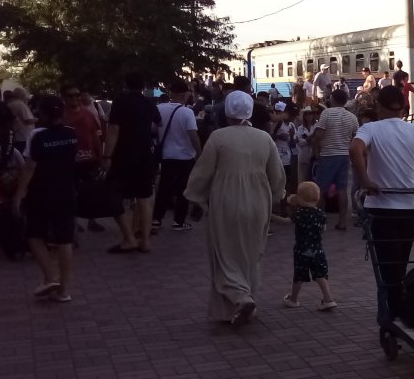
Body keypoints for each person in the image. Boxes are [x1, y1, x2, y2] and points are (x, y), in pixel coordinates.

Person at [350, 86, 414, 324]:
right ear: (404, 108)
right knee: (400, 261)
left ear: (378, 106)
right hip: (409, 205)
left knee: (386, 264)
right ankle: (397, 307)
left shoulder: (370, 128)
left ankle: (393, 311)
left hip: (380, 205)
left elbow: (355, 148)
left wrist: (365, 181)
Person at [184, 90, 285, 328]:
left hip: (226, 203)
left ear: (227, 111)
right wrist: (277, 198)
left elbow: (202, 173)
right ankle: (246, 298)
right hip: (258, 203)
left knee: (224, 255)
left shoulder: (218, 137)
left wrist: (195, 198)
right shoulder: (264, 138)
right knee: (250, 255)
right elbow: (277, 177)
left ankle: (240, 298)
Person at [12, 94, 78, 302]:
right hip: (67, 190)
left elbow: (29, 167)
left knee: (34, 234)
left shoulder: (37, 135)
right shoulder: (71, 133)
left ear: (42, 112)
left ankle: (50, 277)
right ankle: (64, 290)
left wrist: (18, 195)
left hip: (41, 192)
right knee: (65, 239)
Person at [103, 72, 161, 254]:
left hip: (123, 155)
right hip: (144, 154)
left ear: (126, 85)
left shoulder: (121, 102)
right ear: (143, 86)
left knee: (114, 195)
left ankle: (128, 237)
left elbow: (113, 129)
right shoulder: (149, 103)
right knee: (145, 198)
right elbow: (157, 124)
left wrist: (107, 156)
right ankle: (144, 241)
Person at [152, 79, 201, 232]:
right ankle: (178, 221)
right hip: (185, 157)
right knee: (183, 189)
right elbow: (193, 135)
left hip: (166, 155)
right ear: (184, 94)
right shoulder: (187, 112)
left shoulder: (159, 108)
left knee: (163, 188)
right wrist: (199, 153)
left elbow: (153, 130)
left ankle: (156, 218)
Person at [282, 181, 338, 311]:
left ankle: (293, 299)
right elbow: (323, 229)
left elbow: (286, 221)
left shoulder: (299, 213)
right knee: (320, 275)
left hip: (301, 250)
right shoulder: (320, 214)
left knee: (299, 275)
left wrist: (271, 217)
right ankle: (328, 299)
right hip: (317, 250)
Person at [311, 89, 360, 230]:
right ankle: (342, 221)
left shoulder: (327, 113)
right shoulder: (352, 117)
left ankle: (319, 221)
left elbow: (319, 134)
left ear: (332, 99)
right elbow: (355, 137)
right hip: (344, 155)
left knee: (320, 189)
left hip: (328, 155)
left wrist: (315, 148)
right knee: (342, 189)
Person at [61, 85, 105, 233]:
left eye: (77, 95)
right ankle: (73, 222)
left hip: (89, 159)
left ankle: (92, 220)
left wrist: (100, 155)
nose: (74, 98)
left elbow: (95, 136)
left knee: (91, 191)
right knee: (70, 192)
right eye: (70, 95)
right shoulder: (61, 116)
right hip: (69, 161)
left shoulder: (88, 114)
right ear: (64, 98)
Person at [6, 88, 36, 153]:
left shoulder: (10, 104)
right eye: (25, 94)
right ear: (22, 95)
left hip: (16, 136)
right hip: (24, 136)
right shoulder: (20, 104)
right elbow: (28, 120)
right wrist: (38, 119)